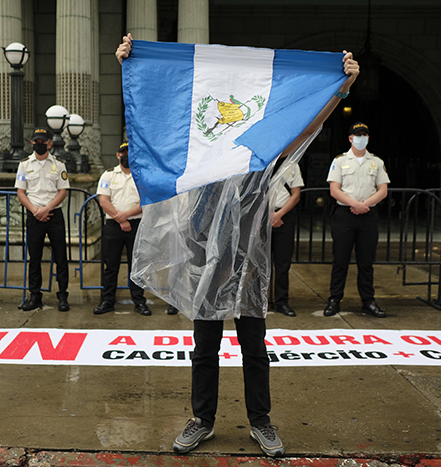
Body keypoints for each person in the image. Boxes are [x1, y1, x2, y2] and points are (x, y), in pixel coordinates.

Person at [115, 34, 359, 457]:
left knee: (254, 348)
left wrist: (343, 87)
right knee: (204, 348)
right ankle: (201, 420)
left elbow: (307, 124)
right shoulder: (195, 155)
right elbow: (153, 113)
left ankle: (261, 422)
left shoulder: (260, 157)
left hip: (248, 262)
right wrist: (129, 66)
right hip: (204, 261)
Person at [324, 122, 390, 318]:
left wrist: (365, 205)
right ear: (350, 138)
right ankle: (334, 300)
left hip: (368, 217)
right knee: (340, 261)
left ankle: (368, 301)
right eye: (357, 135)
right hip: (344, 216)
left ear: (368, 138)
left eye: (364, 135)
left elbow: (383, 190)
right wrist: (354, 203)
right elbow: (334, 189)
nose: (361, 138)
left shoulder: (376, 162)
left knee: (366, 262)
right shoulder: (340, 161)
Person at [93, 142, 151, 316]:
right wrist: (120, 219)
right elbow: (103, 201)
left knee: (136, 266)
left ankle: (139, 302)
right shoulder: (108, 175)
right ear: (118, 155)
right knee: (110, 266)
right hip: (113, 226)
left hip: (135, 225)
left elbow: (145, 202)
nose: (126, 156)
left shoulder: (141, 175)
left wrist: (124, 217)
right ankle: (107, 301)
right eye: (123, 153)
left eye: (129, 153)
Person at [15, 128, 70, 312]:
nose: (39, 145)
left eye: (42, 142)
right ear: (32, 143)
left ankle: (62, 295)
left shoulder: (59, 164)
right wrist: (35, 211)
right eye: (36, 142)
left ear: (50, 144)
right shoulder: (24, 165)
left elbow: (62, 191)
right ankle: (35, 295)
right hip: (34, 215)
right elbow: (21, 192)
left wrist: (46, 209)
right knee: (35, 257)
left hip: (54, 214)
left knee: (61, 257)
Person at [269, 162, 304, 317]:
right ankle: (259, 301)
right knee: (259, 264)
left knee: (283, 264)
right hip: (262, 217)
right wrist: (268, 215)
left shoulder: (293, 165)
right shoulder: (262, 162)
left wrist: (279, 214)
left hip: (284, 217)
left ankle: (281, 301)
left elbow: (296, 194)